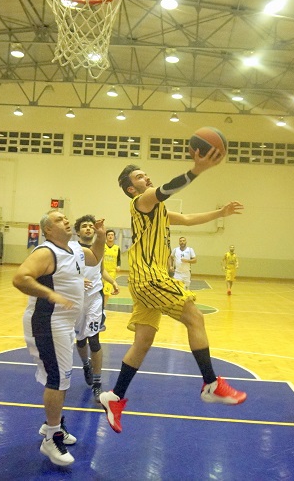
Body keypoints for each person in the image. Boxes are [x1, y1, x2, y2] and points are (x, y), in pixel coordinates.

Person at [99, 150, 246, 435]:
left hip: (144, 281)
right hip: (150, 278)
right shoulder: (141, 201)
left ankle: (114, 397)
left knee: (143, 342)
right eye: (139, 176)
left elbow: (188, 219)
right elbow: (166, 189)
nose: (146, 177)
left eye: (145, 174)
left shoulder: (160, 212)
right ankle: (211, 384)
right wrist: (196, 169)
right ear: (131, 189)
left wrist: (220, 213)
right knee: (195, 318)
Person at [13, 210, 105, 467]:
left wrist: (99, 236)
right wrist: (49, 294)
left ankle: (52, 425)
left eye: (66, 218)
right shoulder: (46, 252)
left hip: (63, 324)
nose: (65, 220)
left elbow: (95, 257)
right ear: (48, 230)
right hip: (47, 322)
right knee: (57, 379)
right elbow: (20, 278)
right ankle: (51, 439)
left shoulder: (75, 249)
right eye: (58, 219)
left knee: (63, 378)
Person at [73, 215, 119, 404]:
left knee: (94, 340)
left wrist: (113, 281)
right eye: (84, 226)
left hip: (94, 298)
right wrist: (76, 280)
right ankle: (86, 365)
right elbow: (61, 272)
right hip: (76, 299)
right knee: (80, 340)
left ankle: (97, 383)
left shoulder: (98, 248)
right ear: (78, 231)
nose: (88, 228)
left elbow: (101, 270)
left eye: (91, 226)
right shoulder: (71, 249)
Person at [102, 229, 121, 304]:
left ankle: (103, 307)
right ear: (106, 237)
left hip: (111, 273)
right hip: (101, 271)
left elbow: (118, 259)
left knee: (106, 292)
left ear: (114, 237)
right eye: (109, 235)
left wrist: (118, 265)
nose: (110, 236)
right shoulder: (102, 246)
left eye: (112, 235)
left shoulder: (117, 248)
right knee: (99, 291)